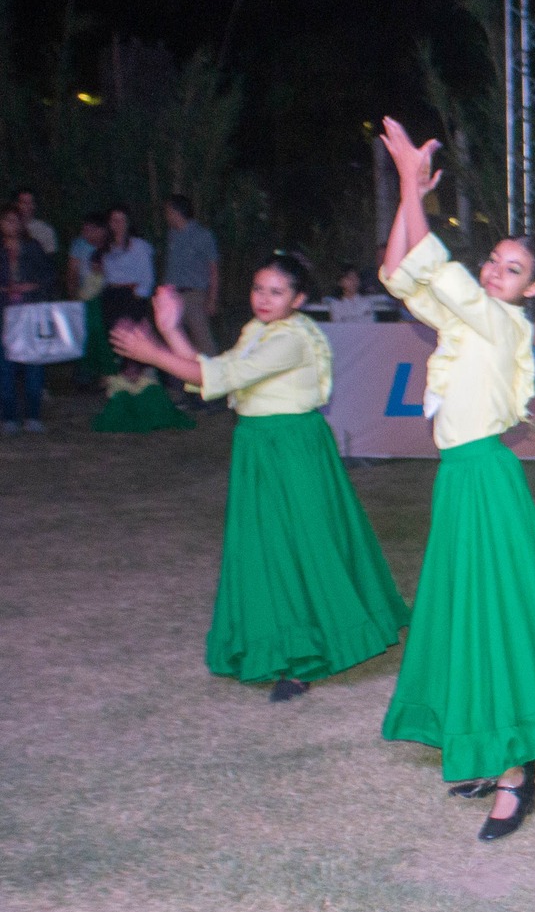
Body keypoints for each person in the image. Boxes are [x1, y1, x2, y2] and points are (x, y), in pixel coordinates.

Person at [375, 117, 535, 842]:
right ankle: (486, 743)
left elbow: (436, 264)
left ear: (532, 288)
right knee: (462, 612)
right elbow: (399, 271)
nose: (493, 271)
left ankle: (515, 772)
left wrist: (413, 184)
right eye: (493, 259)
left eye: (512, 269)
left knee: (492, 616)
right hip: (460, 478)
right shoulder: (467, 322)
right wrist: (407, 194)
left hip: (485, 479)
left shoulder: (505, 324)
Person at [108, 259, 409, 701]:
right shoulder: (258, 330)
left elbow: (220, 377)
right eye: (258, 288)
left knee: (299, 544)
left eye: (276, 292)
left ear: (298, 299)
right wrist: (170, 330)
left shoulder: (292, 338)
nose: (263, 299)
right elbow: (215, 374)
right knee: (266, 545)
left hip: (290, 447)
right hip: (260, 446)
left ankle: (305, 655)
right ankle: (282, 638)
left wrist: (153, 354)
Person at [1, 207, 58, 434]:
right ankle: (9, 417)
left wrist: (30, 286)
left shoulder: (32, 247)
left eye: (15, 220)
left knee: (33, 366)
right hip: (4, 316)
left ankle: (33, 415)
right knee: (5, 368)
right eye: (7, 220)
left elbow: (49, 276)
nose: (11, 224)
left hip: (31, 314)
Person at [163, 195, 221, 358]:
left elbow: (213, 269)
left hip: (194, 296)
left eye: (168, 211)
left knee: (203, 341)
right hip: (173, 295)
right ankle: (179, 374)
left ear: (176, 212)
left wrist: (212, 299)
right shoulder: (172, 235)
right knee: (175, 341)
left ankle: (214, 371)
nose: (166, 216)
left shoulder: (203, 235)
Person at [68, 212, 119, 382]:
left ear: (101, 230)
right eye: (84, 229)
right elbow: (72, 272)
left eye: (90, 229)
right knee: (85, 333)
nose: (85, 233)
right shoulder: (79, 244)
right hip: (86, 295)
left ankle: (108, 374)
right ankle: (85, 376)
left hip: (108, 295)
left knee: (104, 334)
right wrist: (73, 294)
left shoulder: (112, 244)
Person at [316, 265, 393, 324]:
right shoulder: (336, 305)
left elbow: (370, 322)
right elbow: (338, 325)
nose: (354, 281)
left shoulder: (366, 302)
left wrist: (348, 319)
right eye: (349, 278)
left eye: (355, 278)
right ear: (340, 282)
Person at [13, 188, 57, 256]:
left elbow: (50, 256)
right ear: (16, 204)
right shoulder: (7, 227)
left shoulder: (45, 230)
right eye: (24, 203)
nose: (27, 206)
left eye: (30, 203)